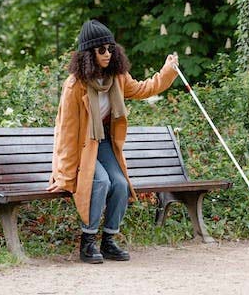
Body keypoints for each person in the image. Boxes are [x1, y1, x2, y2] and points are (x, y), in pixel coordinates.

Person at [47, 19, 179, 263]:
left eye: (110, 48)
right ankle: (87, 243)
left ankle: (108, 240)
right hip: (82, 147)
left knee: (119, 183)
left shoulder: (117, 77)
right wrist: (64, 176)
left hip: (103, 142)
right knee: (101, 181)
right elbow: (66, 133)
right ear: (88, 54)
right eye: (101, 50)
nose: (107, 54)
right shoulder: (75, 86)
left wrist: (168, 70)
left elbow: (143, 89)